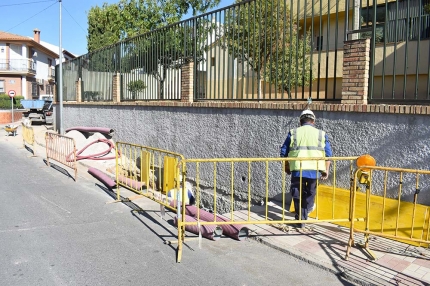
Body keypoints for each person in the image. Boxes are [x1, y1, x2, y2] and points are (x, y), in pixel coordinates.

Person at [280, 109, 332, 228]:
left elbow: (284, 152)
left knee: (297, 193)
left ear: (300, 121)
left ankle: (301, 216)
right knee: (310, 193)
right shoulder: (321, 134)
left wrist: (287, 167)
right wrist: (326, 170)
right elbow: (328, 154)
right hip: (314, 170)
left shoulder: (293, 132)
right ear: (313, 121)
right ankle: (304, 213)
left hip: (298, 168)